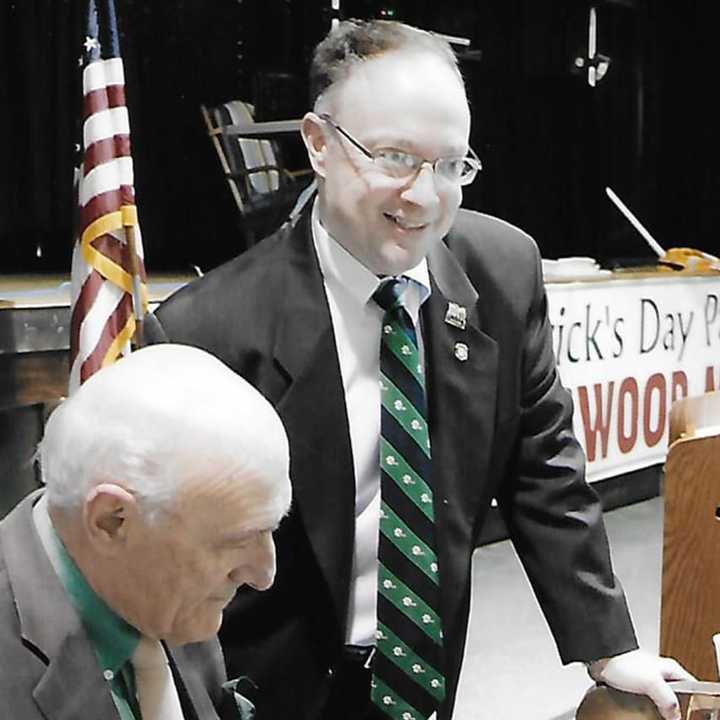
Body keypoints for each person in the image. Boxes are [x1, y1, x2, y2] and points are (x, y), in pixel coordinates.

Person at [147, 19, 691, 720]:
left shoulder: (502, 272)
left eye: (450, 165)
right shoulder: (206, 331)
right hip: (263, 689)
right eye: (395, 158)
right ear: (318, 144)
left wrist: (609, 646)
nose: (424, 197)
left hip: (424, 679)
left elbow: (544, 473)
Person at [0, 343, 292, 719]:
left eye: (270, 530)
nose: (264, 575)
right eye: (234, 542)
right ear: (111, 521)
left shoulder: (159, 592)